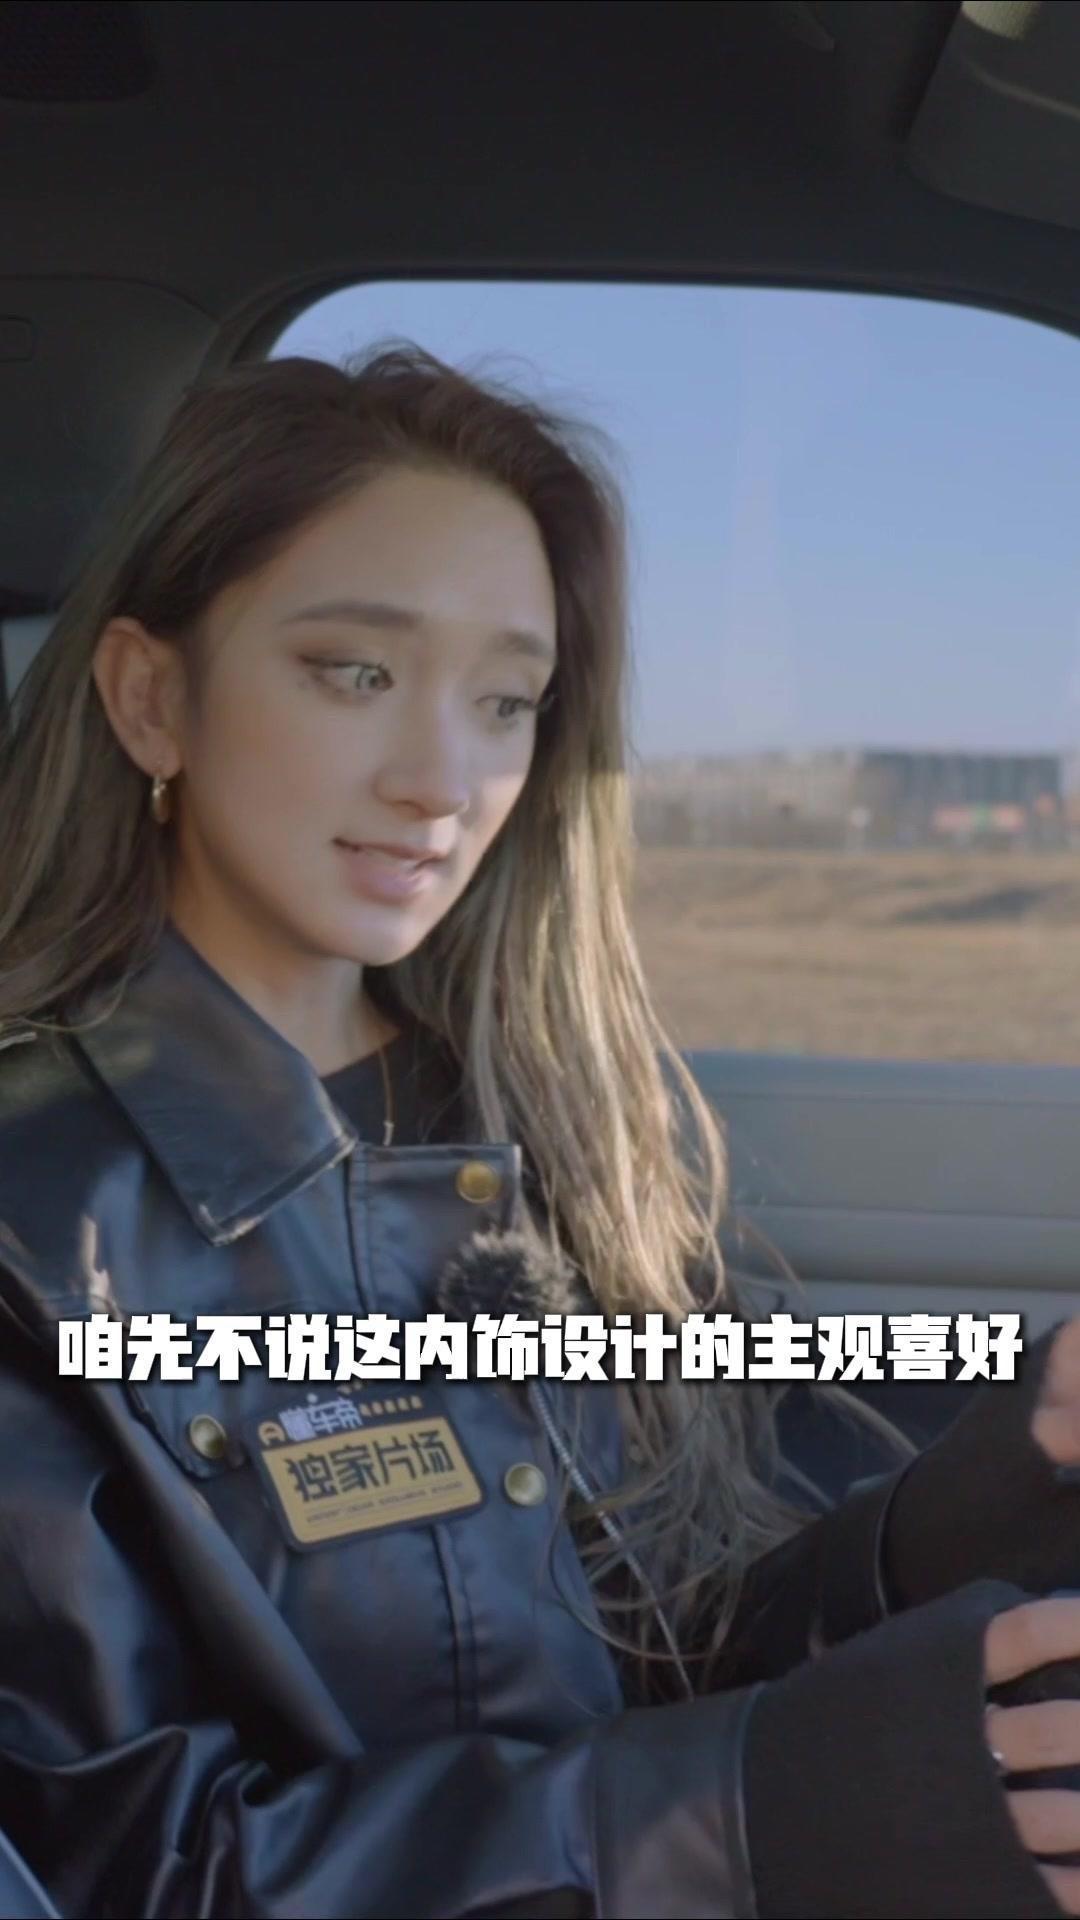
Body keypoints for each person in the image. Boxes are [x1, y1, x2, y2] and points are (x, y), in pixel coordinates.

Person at [0, 342, 1079, 1920]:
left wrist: (994, 1486)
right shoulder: (38, 1231)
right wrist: (755, 1815)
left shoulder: (531, 1132)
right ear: (151, 697)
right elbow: (120, 1875)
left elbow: (647, 1654)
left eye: (505, 701)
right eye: (356, 673)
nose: (444, 778)